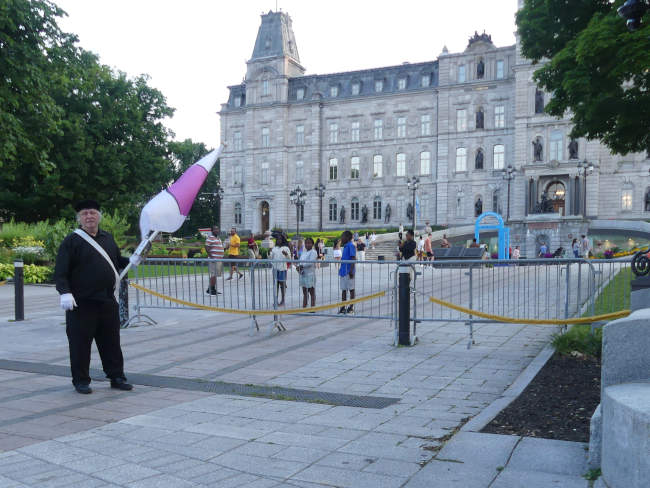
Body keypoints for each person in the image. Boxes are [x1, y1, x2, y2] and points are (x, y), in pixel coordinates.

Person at [54, 200, 137, 394]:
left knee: (111, 343)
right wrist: (64, 292)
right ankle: (81, 380)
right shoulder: (71, 241)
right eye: (85, 213)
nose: (89, 216)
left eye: (92, 213)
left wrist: (132, 260)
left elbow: (117, 262)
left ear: (99, 216)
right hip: (81, 303)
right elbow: (60, 271)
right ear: (79, 218)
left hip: (107, 301)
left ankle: (116, 376)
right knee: (80, 345)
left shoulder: (108, 238)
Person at [338, 230, 356, 314]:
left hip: (349, 272)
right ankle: (343, 306)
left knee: (351, 289)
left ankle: (351, 306)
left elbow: (353, 258)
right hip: (343, 272)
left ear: (347, 238)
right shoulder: (345, 246)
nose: (341, 238)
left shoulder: (351, 246)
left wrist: (351, 270)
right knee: (343, 289)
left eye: (343, 236)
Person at [270, 235, 290, 306]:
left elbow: (289, 259)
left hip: (282, 269)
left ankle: (283, 300)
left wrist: (286, 254)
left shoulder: (286, 248)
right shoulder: (274, 248)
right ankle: (276, 300)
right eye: (277, 239)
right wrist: (269, 253)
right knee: (276, 285)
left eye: (280, 239)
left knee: (282, 285)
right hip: (275, 269)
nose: (278, 240)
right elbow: (271, 258)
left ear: (282, 240)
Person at [297, 237, 317, 308]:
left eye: (309, 243)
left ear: (312, 244)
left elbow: (311, 262)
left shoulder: (313, 252)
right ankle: (304, 307)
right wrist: (298, 266)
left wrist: (302, 265)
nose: (307, 244)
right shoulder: (303, 252)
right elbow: (300, 261)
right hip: (303, 274)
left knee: (312, 292)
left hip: (310, 274)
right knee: (304, 292)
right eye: (306, 243)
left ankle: (313, 307)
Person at [205, 225, 224, 296]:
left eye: (217, 229)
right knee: (213, 274)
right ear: (212, 231)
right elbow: (206, 247)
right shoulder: (210, 238)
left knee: (216, 275)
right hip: (214, 259)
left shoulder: (218, 238)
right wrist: (211, 257)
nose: (217, 230)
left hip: (219, 259)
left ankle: (211, 288)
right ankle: (211, 289)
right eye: (215, 229)